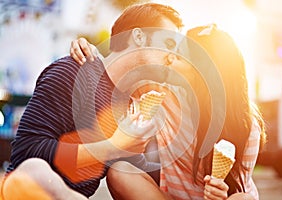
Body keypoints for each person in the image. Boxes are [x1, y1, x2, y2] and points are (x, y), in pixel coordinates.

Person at [0, 3, 184, 200]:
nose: (173, 57)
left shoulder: (129, 105)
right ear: (139, 37)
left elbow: (138, 175)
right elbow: (28, 151)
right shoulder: (73, 71)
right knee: (34, 169)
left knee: (123, 170)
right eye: (169, 44)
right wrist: (111, 146)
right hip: (29, 191)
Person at [70, 24, 266, 199]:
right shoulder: (163, 95)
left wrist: (220, 193)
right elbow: (117, 73)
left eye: (180, 55)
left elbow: (242, 189)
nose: (170, 58)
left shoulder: (246, 126)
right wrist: (92, 53)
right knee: (120, 172)